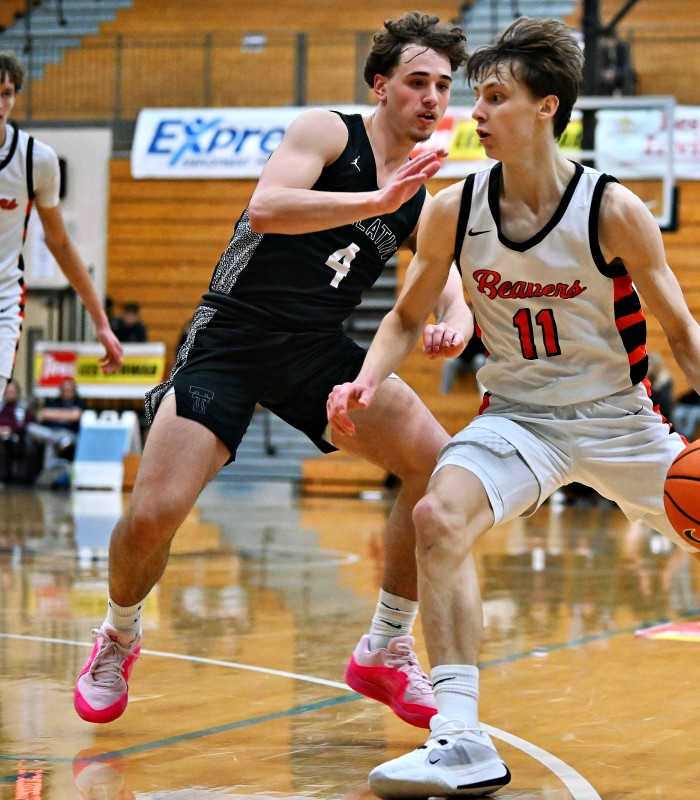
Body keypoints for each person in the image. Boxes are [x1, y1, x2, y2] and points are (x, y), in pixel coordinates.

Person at [328, 18, 700, 797]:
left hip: (618, 420)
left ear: (547, 108)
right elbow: (404, 318)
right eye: (477, 98)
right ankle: (460, 736)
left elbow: (683, 331)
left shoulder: (613, 209)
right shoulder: (452, 209)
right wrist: (366, 380)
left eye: (495, 98)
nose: (476, 114)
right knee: (437, 516)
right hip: (517, 418)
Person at [72, 14, 472, 727]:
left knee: (436, 467)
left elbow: (450, 281)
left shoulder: (421, 196)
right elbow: (266, 209)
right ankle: (118, 634)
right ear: (380, 86)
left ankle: (384, 643)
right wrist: (378, 202)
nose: (433, 98)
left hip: (315, 348)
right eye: (417, 82)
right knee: (153, 516)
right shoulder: (327, 131)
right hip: (232, 333)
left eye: (443, 85)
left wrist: (454, 323)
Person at [0, 52, 122, 401]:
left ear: (16, 96)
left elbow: (60, 243)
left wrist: (99, 320)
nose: (0, 102)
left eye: (7, 93)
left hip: (3, 302)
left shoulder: (36, 160)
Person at [25, 376, 85, 476]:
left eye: (69, 390)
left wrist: (54, 415)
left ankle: (47, 471)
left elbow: (75, 416)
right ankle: (60, 442)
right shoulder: (53, 402)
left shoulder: (79, 403)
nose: (67, 392)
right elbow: (43, 414)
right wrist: (66, 415)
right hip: (51, 432)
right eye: (65, 390)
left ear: (74, 391)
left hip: (68, 433)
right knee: (30, 427)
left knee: (52, 441)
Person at [0, 377, 28, 483]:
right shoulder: (2, 406)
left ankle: (3, 477)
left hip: (16, 436)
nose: (10, 394)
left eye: (12, 391)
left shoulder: (22, 407)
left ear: (17, 392)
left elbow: (25, 424)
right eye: (8, 391)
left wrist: (10, 429)